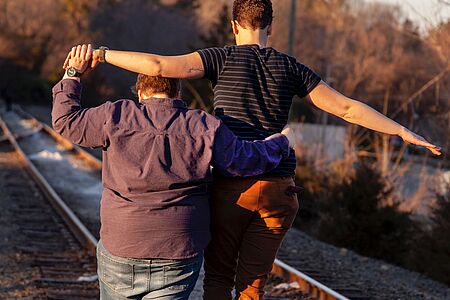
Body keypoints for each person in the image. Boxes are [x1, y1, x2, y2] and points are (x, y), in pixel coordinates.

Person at [66, 1, 441, 298]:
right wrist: (401, 131)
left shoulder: (221, 57)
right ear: (270, 27)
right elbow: (346, 107)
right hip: (280, 191)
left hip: (235, 189)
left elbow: (159, 65)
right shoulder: (293, 68)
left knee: (218, 278)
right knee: (252, 285)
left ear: (233, 26)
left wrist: (100, 53)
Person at [53, 44, 294, 300]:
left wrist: (73, 73)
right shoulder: (204, 125)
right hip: (177, 251)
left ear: (141, 92)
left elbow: (64, 121)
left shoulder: (115, 116)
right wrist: (281, 142)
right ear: (178, 91)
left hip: (122, 245)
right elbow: (245, 160)